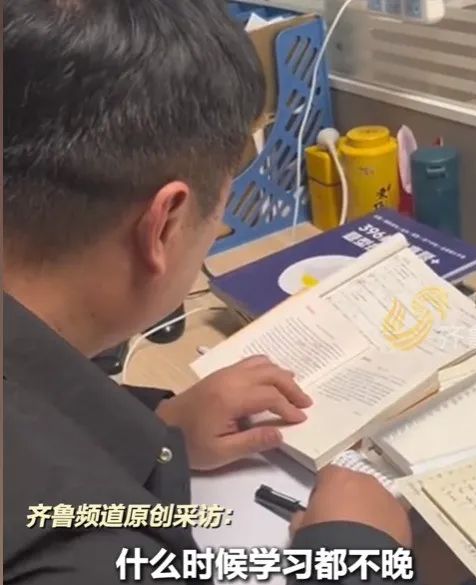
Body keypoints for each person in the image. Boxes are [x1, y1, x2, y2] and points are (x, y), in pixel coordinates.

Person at [3, 1, 415, 583]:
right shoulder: (80, 553)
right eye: (219, 212)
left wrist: (154, 429)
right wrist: (355, 554)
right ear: (165, 225)